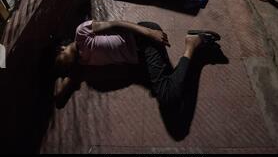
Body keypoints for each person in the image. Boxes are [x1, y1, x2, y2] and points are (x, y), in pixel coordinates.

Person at [55, 19, 221, 109]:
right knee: (169, 89)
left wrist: (150, 32)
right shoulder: (81, 65)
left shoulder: (82, 33)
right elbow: (59, 97)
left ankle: (193, 43)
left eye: (60, 64)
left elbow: (116, 24)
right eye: (63, 71)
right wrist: (62, 75)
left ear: (62, 48)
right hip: (140, 58)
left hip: (143, 38)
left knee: (167, 95)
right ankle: (195, 45)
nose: (64, 70)